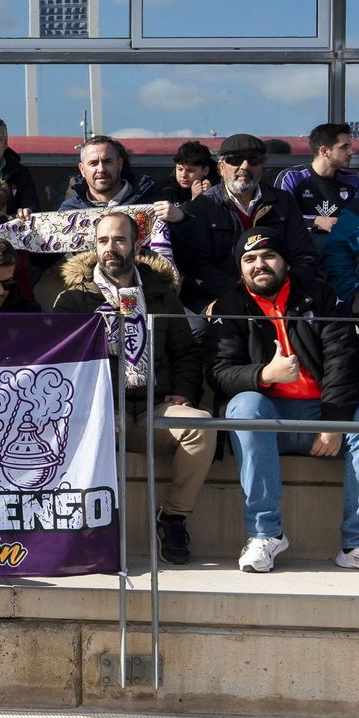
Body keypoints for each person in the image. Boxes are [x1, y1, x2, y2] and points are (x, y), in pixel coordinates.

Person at [207, 227, 359, 575]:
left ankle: (358, 543)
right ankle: (265, 534)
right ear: (241, 269)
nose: (259, 265)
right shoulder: (230, 305)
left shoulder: (322, 296)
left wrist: (333, 423)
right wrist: (265, 374)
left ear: (284, 262)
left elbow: (344, 361)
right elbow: (220, 373)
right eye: (249, 259)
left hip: (322, 415)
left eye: (268, 256)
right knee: (244, 407)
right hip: (270, 419)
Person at [55, 212, 215, 563]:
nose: (110, 248)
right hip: (96, 411)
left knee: (200, 425)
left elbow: (186, 352)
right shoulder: (74, 299)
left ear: (136, 244)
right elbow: (64, 369)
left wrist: (184, 392)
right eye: (103, 241)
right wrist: (96, 409)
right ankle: (81, 531)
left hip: (149, 409)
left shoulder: (161, 294)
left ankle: (173, 518)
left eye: (119, 240)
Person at [167, 133, 317, 312]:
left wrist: (281, 291)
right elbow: (197, 266)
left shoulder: (284, 202)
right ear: (221, 167)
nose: (245, 166)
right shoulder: (200, 207)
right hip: (217, 297)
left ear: (262, 167)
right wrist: (243, 295)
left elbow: (305, 256)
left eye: (253, 160)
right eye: (235, 160)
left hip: (280, 296)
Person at [275, 122, 359, 244]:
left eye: (350, 146)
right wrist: (317, 221)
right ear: (324, 151)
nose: (351, 152)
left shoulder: (353, 181)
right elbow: (282, 216)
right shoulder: (291, 177)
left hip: (343, 250)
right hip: (302, 249)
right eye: (344, 147)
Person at [57, 135, 159, 211]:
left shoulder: (153, 202)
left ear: (120, 164)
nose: (101, 169)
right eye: (93, 163)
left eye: (107, 162)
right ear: (82, 169)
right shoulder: (69, 211)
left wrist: (175, 220)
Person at [161, 140, 216, 206]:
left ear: (205, 171)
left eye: (190, 170)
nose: (183, 175)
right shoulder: (166, 188)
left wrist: (209, 196)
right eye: (180, 169)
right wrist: (195, 200)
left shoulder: (218, 189)